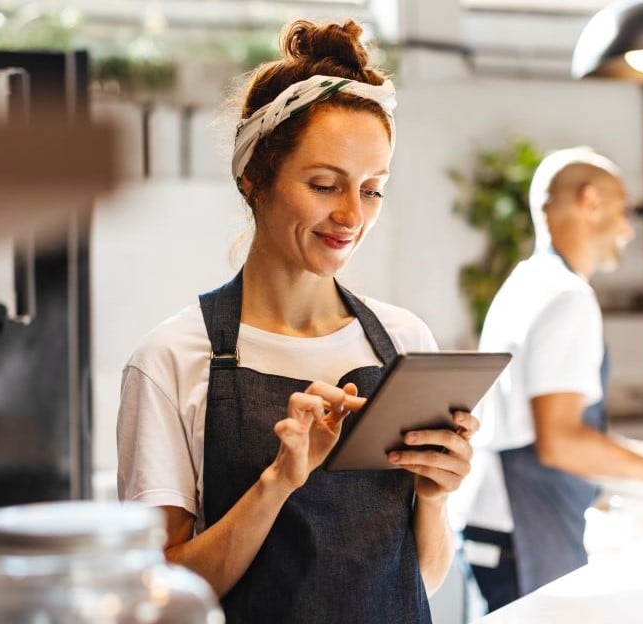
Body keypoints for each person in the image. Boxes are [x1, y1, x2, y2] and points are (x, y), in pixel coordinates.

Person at [116, 19, 477, 623]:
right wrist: (279, 481)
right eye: (323, 184)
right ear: (253, 177)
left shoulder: (405, 344)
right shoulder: (171, 359)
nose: (350, 215)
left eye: (372, 190)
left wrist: (433, 499)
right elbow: (158, 599)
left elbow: (419, 584)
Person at [459, 147, 643, 610]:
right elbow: (562, 442)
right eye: (624, 209)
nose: (629, 228)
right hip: (528, 528)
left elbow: (551, 427)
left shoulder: (526, 283)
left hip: (499, 527)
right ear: (590, 201)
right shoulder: (567, 296)